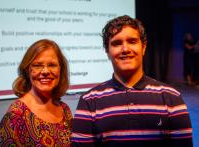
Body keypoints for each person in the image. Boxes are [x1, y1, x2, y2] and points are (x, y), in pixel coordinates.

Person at [71, 15, 193, 147]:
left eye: (132, 41)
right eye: (117, 43)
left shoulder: (171, 98)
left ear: (144, 47)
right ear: (107, 51)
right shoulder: (89, 101)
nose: (125, 49)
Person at [0, 39, 72, 146]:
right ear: (27, 70)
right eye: (38, 65)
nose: (45, 71)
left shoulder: (65, 110)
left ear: (60, 69)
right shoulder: (15, 116)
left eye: (52, 65)